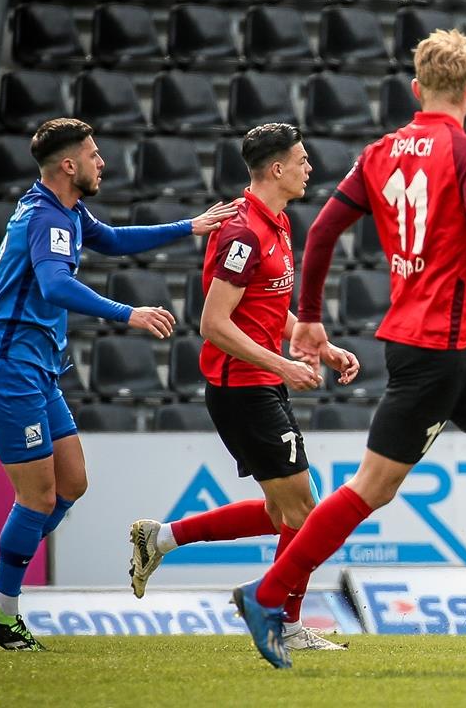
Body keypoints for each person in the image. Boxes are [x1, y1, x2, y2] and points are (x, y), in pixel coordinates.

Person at [230, 29, 466, 669]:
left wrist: (309, 319)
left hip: (463, 344)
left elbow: (324, 230)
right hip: (433, 350)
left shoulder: (381, 152)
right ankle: (267, 594)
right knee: (372, 487)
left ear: (417, 89)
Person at [0, 118, 237, 650]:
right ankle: (3, 614)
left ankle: (3, 573)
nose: (101, 161)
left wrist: (190, 227)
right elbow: (54, 283)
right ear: (69, 165)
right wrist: (127, 312)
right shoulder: (46, 217)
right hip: (7, 368)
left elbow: (110, 240)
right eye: (92, 154)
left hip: (36, 369)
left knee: (71, 483)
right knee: (38, 496)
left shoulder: (61, 208)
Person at [126, 123, 360, 652]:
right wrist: (281, 365)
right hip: (243, 388)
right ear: (276, 168)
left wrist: (319, 346)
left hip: (259, 384)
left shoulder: (275, 223)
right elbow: (214, 323)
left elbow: (267, 309)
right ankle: (285, 623)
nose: (309, 168)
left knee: (284, 513)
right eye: (301, 160)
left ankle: (160, 538)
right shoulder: (241, 232)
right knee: (305, 513)